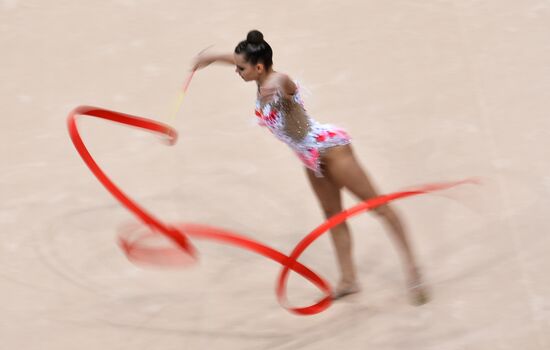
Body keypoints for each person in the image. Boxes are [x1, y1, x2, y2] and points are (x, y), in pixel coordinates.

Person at [192, 30, 428, 304]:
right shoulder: (257, 74)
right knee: (333, 216)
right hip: (310, 159)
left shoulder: (278, 83)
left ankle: (414, 270)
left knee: (379, 207)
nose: (237, 71)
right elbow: (239, 58)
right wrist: (209, 58)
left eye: (240, 68)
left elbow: (287, 82)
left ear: (258, 67)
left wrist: (277, 81)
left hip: (332, 152)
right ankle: (349, 279)